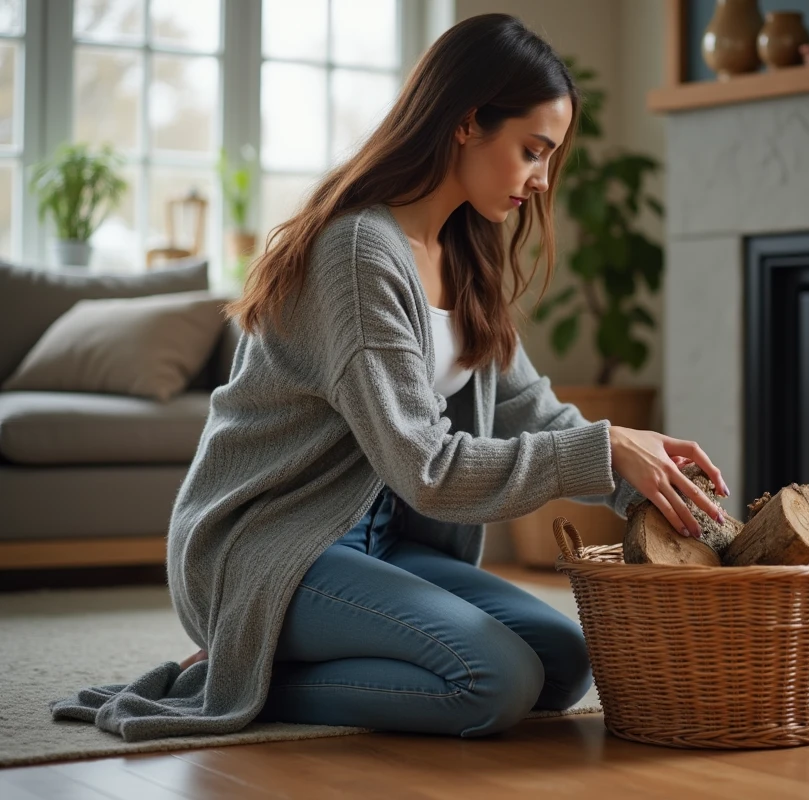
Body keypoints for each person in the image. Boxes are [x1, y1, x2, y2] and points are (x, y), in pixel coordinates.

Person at [51, 13, 728, 742]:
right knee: (494, 682)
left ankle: (256, 664)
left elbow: (533, 412)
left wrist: (657, 487)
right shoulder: (357, 253)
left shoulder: (467, 250)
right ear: (468, 123)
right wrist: (606, 446)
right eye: (533, 151)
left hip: (379, 538)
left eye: (549, 158)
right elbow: (428, 469)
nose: (540, 179)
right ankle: (236, 669)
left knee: (563, 665)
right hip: (273, 545)